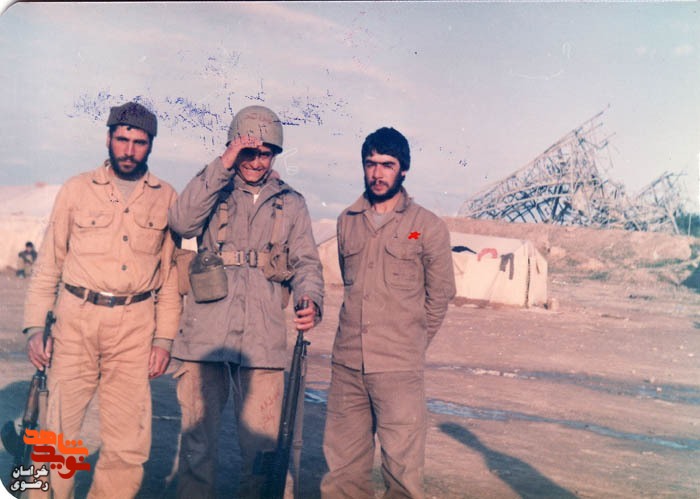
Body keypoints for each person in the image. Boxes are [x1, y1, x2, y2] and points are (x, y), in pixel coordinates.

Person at [23, 102, 181, 499]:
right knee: (56, 434)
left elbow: (169, 278)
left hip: (135, 327)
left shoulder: (166, 197)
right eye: (122, 139)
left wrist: (163, 340)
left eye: (139, 142)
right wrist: (35, 328)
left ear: (151, 145)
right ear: (108, 138)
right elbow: (49, 263)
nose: (129, 150)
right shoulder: (76, 189)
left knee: (128, 443)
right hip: (75, 322)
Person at [168, 104, 324, 498]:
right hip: (206, 336)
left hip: (262, 340)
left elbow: (306, 261)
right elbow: (182, 222)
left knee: (262, 452)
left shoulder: (292, 203)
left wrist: (309, 298)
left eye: (265, 153)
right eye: (248, 152)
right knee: (198, 448)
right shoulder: (213, 187)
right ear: (233, 149)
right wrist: (223, 163)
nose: (256, 161)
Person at [321, 127, 456, 498]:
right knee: (342, 474)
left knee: (402, 475)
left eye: (387, 165)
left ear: (404, 169)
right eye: (371, 164)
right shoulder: (347, 220)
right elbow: (352, 286)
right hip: (348, 366)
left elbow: (439, 297)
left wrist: (410, 343)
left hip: (399, 370)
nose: (377, 173)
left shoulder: (426, 227)